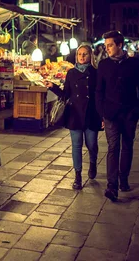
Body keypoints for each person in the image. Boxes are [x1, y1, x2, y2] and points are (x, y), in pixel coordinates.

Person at [96, 30, 139, 202]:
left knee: (127, 146)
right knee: (113, 147)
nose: (107, 48)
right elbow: (99, 91)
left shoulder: (135, 64)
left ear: (120, 45)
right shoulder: (103, 65)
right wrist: (102, 112)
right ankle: (112, 185)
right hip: (110, 114)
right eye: (106, 46)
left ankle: (123, 179)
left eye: (110, 45)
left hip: (129, 113)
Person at [45, 44, 101, 190]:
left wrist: (102, 116)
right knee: (76, 146)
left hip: (91, 113)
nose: (82, 57)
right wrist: (53, 87)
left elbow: (100, 96)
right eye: (79, 54)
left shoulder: (96, 73)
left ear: (90, 56)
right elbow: (66, 95)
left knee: (92, 144)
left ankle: (93, 162)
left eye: (85, 54)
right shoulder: (71, 73)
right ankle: (78, 176)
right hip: (75, 114)